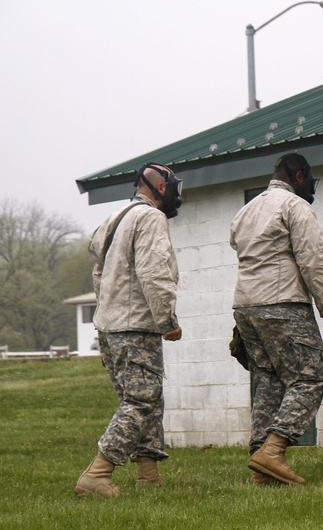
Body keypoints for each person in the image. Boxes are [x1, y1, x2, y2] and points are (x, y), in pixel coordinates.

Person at [76, 162, 185, 497]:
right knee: (141, 401)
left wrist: (107, 312)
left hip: (110, 327)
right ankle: (98, 472)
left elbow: (98, 273)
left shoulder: (114, 219)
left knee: (145, 400)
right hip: (135, 327)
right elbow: (155, 272)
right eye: (174, 187)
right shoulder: (150, 218)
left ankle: (148, 475)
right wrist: (167, 318)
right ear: (161, 187)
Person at [230, 153, 323, 486]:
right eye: (311, 181)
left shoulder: (245, 210)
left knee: (269, 381)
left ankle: (261, 469)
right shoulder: (295, 207)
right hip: (282, 303)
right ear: (299, 175)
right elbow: (312, 260)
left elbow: (235, 243)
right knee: (310, 377)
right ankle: (274, 452)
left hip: (245, 306)